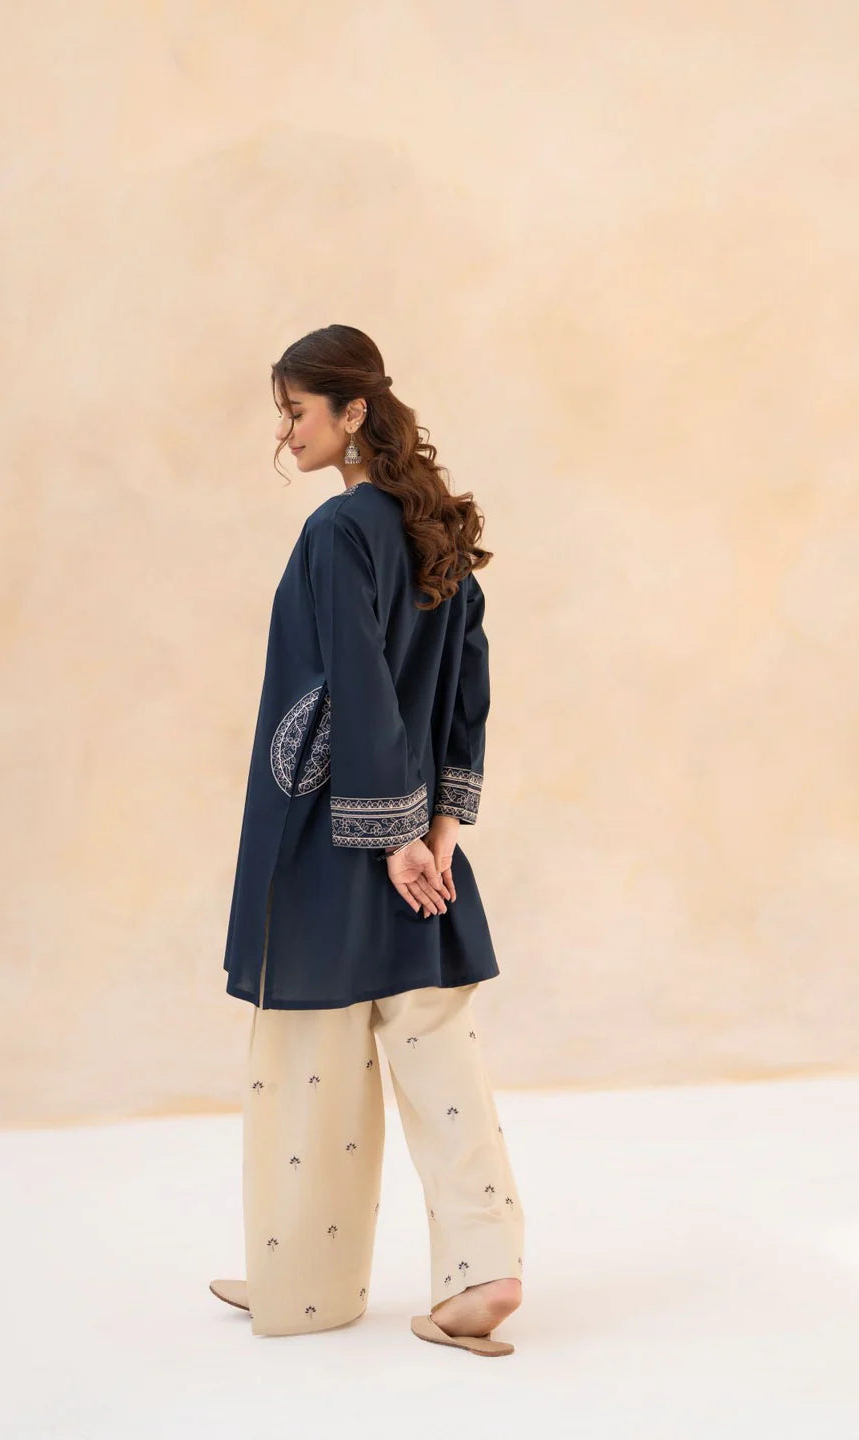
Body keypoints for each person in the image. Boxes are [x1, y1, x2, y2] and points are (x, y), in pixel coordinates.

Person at [210, 325, 524, 1357]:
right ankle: (484, 1270)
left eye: (296, 410)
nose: (284, 431)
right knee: (436, 1046)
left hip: (332, 838)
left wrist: (388, 839)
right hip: (420, 840)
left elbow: (350, 679)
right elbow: (467, 696)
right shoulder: (437, 532)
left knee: (311, 1055)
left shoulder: (341, 529)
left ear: (353, 412)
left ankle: (302, 1284)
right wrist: (435, 832)